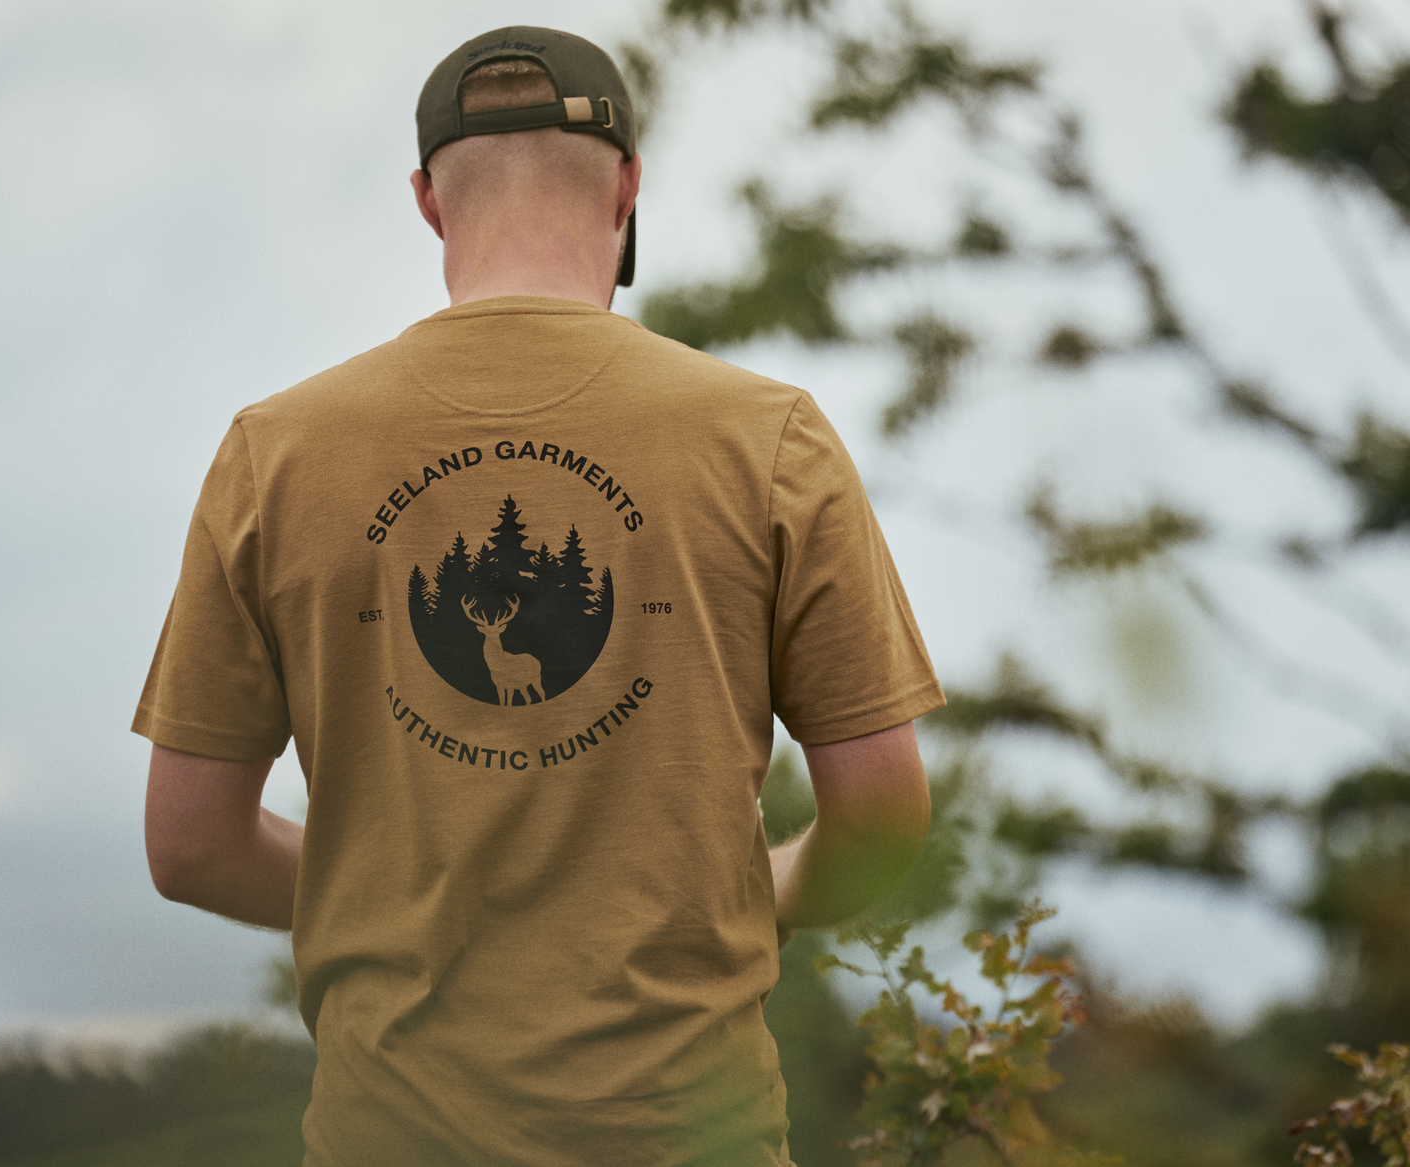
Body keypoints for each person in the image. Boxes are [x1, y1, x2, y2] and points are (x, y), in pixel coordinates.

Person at [135, 24, 943, 1167]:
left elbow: (190, 845)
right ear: (628, 187)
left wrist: (396, 898)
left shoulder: (277, 453)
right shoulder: (768, 440)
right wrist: (744, 892)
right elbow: (881, 819)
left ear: (428, 201)